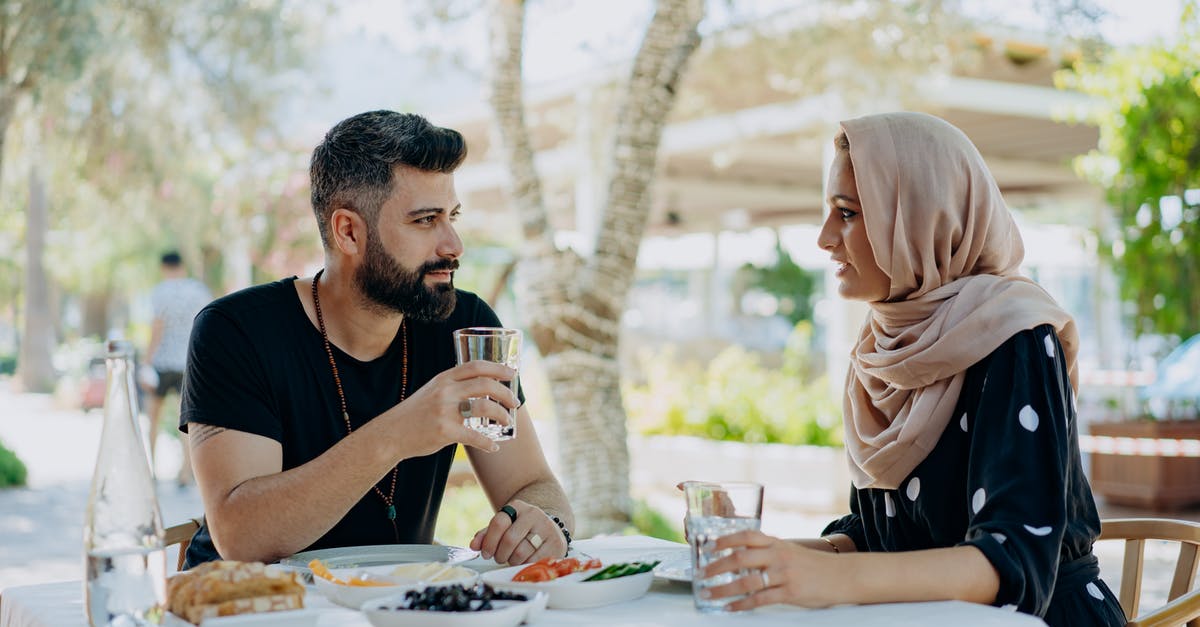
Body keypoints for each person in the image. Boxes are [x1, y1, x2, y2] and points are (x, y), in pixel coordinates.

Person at [701, 112, 1125, 626]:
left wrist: (822, 580)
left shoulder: (1015, 335)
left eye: (848, 213)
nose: (824, 237)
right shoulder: (882, 351)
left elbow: (1016, 564)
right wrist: (763, 556)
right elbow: (880, 534)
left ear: (921, 215)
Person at [179, 110, 573, 568]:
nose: (453, 244)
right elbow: (241, 538)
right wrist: (400, 433)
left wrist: (546, 522)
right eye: (425, 220)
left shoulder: (461, 324)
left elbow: (535, 484)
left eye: (451, 216)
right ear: (348, 231)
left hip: (391, 604)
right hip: (252, 608)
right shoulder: (235, 331)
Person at [146, 251, 212, 485]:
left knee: (153, 417)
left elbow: (157, 329)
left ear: (164, 267)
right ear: (182, 266)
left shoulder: (160, 292)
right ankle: (186, 472)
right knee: (187, 422)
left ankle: (151, 470)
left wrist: (146, 361)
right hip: (189, 362)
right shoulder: (198, 291)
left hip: (162, 363)